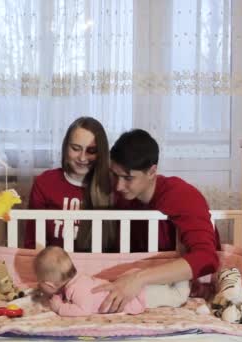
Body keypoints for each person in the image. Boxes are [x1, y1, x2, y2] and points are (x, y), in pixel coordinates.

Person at [92, 129, 220, 313]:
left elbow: (207, 259)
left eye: (128, 178)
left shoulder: (181, 195)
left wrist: (138, 279)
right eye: (115, 175)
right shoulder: (126, 198)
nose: (119, 186)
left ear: (152, 171)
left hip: (180, 288)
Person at [23, 117, 116, 252]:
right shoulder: (45, 182)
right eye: (76, 148)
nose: (82, 158)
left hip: (100, 266)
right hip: (53, 267)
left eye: (91, 151)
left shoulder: (115, 185)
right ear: (66, 147)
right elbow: (32, 240)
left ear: (100, 153)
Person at [34, 246, 190, 317]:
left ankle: (185, 269)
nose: (38, 285)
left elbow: (83, 310)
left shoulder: (77, 290)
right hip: (133, 283)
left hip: (137, 295)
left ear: (49, 284)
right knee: (164, 287)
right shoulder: (80, 279)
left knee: (177, 296)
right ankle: (175, 275)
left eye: (39, 281)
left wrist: (59, 308)